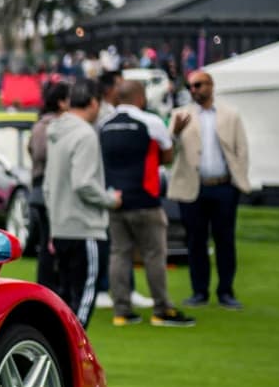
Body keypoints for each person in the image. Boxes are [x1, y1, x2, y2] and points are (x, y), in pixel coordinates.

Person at [99, 76, 193, 327]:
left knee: (119, 254)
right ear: (140, 98)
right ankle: (161, 309)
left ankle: (122, 311)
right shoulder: (150, 122)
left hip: (115, 200)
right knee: (154, 255)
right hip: (145, 200)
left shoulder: (104, 125)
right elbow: (167, 156)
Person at [169, 70, 251, 308]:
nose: (193, 90)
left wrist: (239, 180)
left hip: (223, 186)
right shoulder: (180, 115)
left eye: (198, 85)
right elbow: (168, 152)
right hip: (193, 188)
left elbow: (241, 149)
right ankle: (199, 292)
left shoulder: (230, 115)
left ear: (210, 85)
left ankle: (226, 291)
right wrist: (175, 133)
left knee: (225, 240)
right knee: (196, 241)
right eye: (190, 86)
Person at [44, 80, 118, 327]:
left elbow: (47, 186)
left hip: (61, 227)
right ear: (94, 102)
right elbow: (83, 183)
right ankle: (74, 359)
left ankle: (61, 356)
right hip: (85, 228)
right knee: (82, 303)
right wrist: (109, 200)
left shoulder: (55, 132)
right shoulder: (85, 134)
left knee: (65, 303)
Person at [28, 80, 70, 289]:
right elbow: (45, 156)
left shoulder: (39, 125)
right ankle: (51, 288)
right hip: (48, 190)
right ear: (61, 103)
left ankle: (47, 287)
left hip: (39, 190)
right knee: (52, 243)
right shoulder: (52, 127)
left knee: (47, 243)